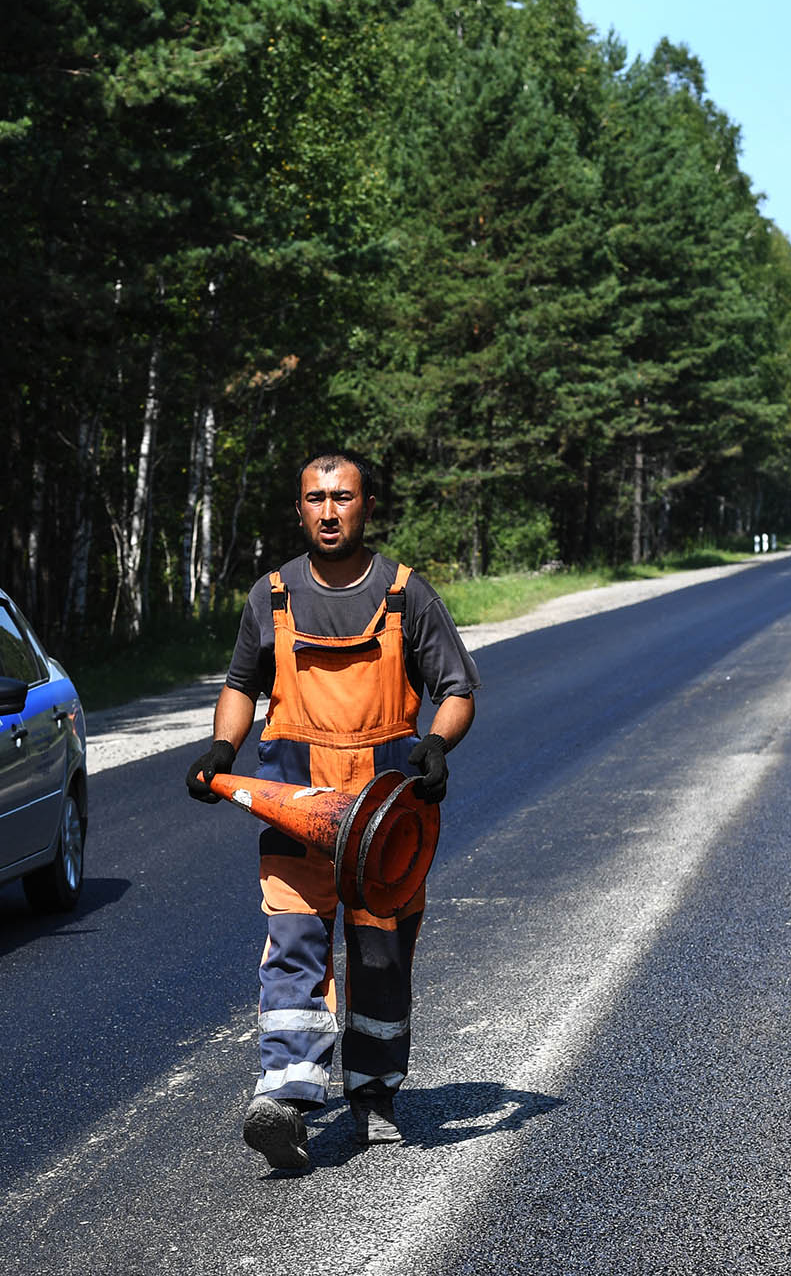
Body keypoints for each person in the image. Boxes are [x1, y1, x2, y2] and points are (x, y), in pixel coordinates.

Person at [185, 450, 480, 1173]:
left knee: (380, 956)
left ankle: (374, 1096)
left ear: (366, 506)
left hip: (384, 814)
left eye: (341, 497)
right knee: (292, 944)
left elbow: (458, 690)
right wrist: (224, 749)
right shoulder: (272, 594)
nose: (327, 510)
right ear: (299, 508)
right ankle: (284, 1098)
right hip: (296, 806)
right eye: (314, 498)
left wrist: (436, 747)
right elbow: (240, 686)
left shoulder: (409, 595)